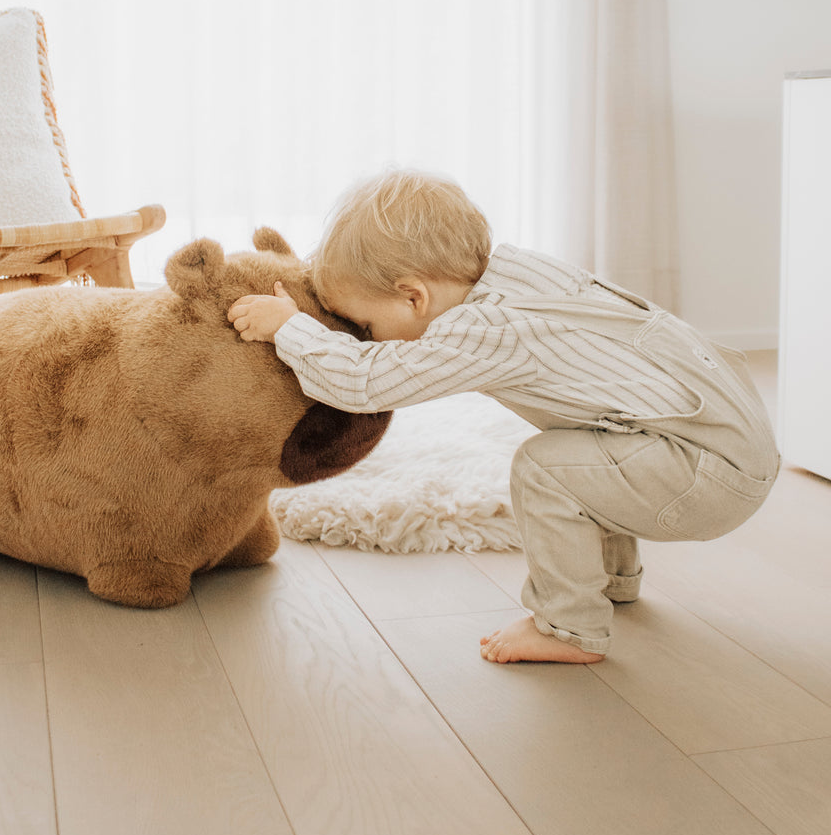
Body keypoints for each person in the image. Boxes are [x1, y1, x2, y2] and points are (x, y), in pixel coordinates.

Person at [227, 168, 780, 665]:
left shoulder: (485, 331)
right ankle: (609, 580)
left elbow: (367, 382)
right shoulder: (519, 274)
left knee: (547, 470)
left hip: (709, 475)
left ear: (413, 296)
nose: (365, 338)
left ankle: (569, 625)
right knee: (591, 446)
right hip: (731, 439)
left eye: (365, 326)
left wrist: (290, 329)